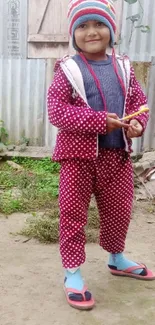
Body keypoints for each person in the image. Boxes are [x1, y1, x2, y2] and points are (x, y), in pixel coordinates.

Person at [47, 0, 155, 310]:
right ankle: (72, 274)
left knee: (119, 214)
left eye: (98, 24)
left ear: (111, 30)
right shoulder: (68, 69)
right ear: (73, 34)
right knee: (72, 217)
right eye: (82, 26)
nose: (91, 31)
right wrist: (97, 121)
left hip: (116, 158)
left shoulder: (123, 66)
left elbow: (139, 101)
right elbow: (56, 111)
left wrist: (137, 122)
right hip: (77, 160)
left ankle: (117, 259)